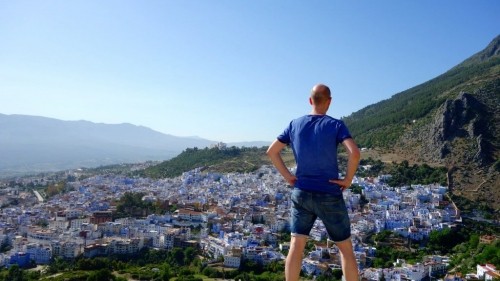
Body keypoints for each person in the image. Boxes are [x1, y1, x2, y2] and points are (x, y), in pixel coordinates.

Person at [266, 84, 361, 281]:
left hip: (301, 192)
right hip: (329, 193)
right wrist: (347, 179)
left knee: (296, 246)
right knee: (345, 249)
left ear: (310, 101)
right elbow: (355, 153)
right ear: (330, 102)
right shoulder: (336, 125)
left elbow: (272, 151)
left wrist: (288, 177)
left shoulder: (294, 124)